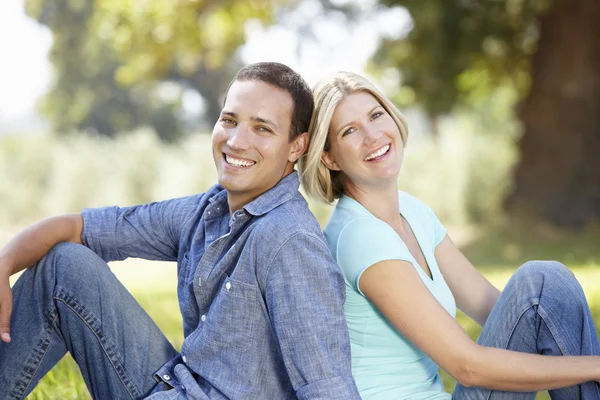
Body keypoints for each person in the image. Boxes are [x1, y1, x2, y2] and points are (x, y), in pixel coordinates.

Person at [0, 62, 361, 400]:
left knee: (65, 264)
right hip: (179, 387)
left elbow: (326, 384)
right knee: (66, 264)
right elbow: (81, 227)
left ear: (296, 146)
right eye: (230, 120)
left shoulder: (289, 241)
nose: (236, 141)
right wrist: (3, 266)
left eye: (262, 128)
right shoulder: (207, 210)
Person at [298, 71, 600, 399]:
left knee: (546, 282)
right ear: (329, 157)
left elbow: (492, 307)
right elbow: (467, 366)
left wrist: (564, 343)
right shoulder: (360, 237)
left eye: (376, 116)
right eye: (350, 131)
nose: (373, 136)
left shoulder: (412, 211)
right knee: (541, 283)